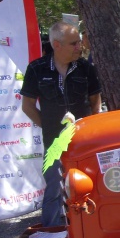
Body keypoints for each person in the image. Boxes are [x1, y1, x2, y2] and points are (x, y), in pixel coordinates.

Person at [20, 21, 101, 227]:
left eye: (79, 42)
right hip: (54, 141)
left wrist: (90, 128)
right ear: (57, 44)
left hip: (84, 142)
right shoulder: (37, 69)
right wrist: (48, 127)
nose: (79, 47)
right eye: (74, 43)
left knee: (89, 186)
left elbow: (95, 101)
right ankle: (52, 235)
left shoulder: (86, 68)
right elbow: (27, 106)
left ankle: (90, 229)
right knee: (55, 189)